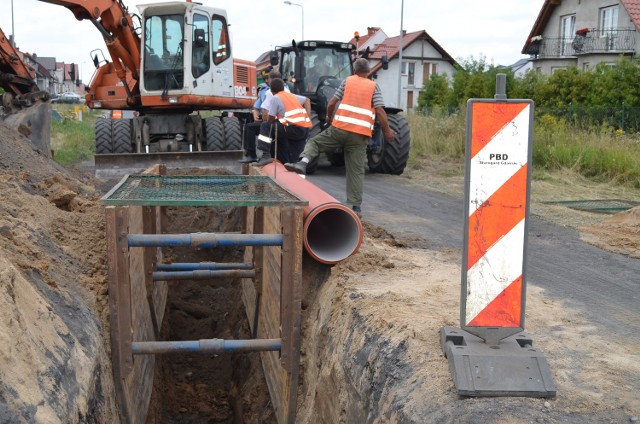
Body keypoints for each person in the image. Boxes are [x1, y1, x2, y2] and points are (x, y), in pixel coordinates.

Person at [284, 58, 395, 216]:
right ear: (368, 71)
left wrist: (329, 118)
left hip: (340, 129)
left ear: (354, 70)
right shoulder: (373, 86)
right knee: (355, 171)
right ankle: (355, 207)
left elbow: (331, 103)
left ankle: (303, 163)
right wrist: (388, 131)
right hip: (360, 135)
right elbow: (380, 111)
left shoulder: (347, 81)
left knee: (315, 142)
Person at [255, 78, 312, 166]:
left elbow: (270, 120)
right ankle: (295, 166)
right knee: (295, 159)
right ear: (283, 88)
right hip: (304, 129)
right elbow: (307, 100)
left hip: (293, 128)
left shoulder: (276, 98)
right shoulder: (291, 96)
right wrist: (307, 117)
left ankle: (265, 155)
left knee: (265, 126)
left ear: (271, 90)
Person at [239, 68, 272, 163]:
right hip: (265, 119)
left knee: (254, 127)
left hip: (275, 120)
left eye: (268, 78)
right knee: (249, 126)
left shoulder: (282, 89)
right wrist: (256, 114)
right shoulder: (262, 90)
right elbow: (256, 107)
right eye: (266, 79)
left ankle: (263, 154)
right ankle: (250, 154)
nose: (266, 80)